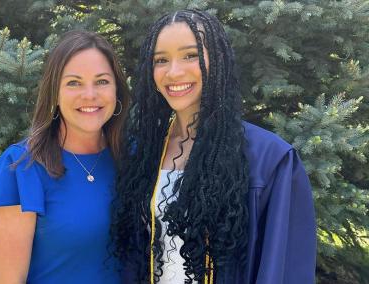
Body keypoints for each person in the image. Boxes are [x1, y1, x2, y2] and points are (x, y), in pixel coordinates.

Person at [112, 9, 316, 284]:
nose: (174, 72)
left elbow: (283, 270)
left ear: (217, 60)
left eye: (190, 55)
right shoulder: (144, 155)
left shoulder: (269, 160)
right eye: (161, 60)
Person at [0, 30, 130, 283]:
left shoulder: (132, 157)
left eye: (102, 81)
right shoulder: (21, 168)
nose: (89, 95)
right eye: (73, 83)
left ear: (116, 90)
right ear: (54, 92)